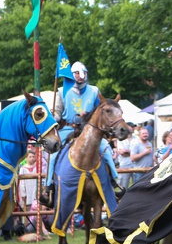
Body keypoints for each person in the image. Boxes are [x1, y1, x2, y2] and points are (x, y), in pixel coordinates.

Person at [44, 61, 121, 203]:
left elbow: (101, 111)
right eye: (78, 74)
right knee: (54, 154)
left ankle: (114, 182)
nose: (81, 76)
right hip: (68, 128)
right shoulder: (61, 92)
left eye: (84, 73)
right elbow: (58, 113)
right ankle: (48, 187)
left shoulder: (94, 91)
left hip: (89, 129)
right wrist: (53, 116)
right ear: (71, 76)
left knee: (105, 149)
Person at [17, 149, 39, 222]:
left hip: (34, 189)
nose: (32, 158)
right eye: (30, 157)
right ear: (26, 158)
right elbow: (21, 182)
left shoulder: (37, 168)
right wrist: (23, 193)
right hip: (26, 190)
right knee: (26, 207)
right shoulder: (23, 168)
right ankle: (26, 223)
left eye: (33, 157)